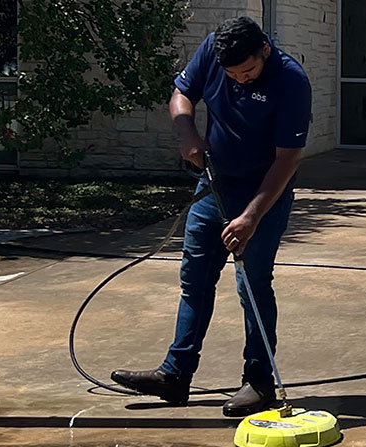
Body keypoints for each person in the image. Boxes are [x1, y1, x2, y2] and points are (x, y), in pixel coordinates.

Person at [110, 16, 312, 417]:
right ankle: (175, 375)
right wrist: (188, 135)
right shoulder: (212, 49)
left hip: (263, 193)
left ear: (265, 51)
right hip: (214, 184)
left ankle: (259, 382)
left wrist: (251, 217)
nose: (240, 80)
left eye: (249, 71)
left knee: (252, 285)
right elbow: (181, 96)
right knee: (195, 280)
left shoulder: (291, 81)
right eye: (232, 74)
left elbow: (288, 158)